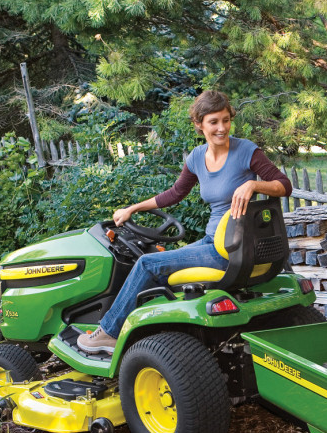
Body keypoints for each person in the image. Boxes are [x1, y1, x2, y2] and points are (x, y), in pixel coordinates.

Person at [78, 90, 293, 354]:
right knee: (160, 265)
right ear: (199, 124)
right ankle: (150, 333)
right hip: (212, 241)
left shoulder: (246, 151)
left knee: (147, 264)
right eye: (214, 122)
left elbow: (284, 185)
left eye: (226, 120)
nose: (222, 128)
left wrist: (253, 184)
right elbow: (175, 194)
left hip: (233, 248)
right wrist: (132, 209)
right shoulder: (196, 158)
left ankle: (109, 333)